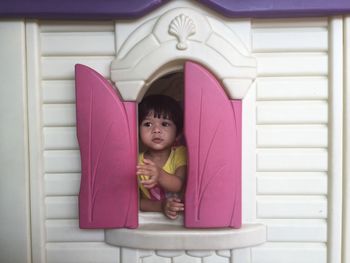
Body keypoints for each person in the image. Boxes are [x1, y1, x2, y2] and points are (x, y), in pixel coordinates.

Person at [137, 94, 187, 220]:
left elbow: (179, 184)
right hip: (150, 221)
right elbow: (136, 202)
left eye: (165, 124)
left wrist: (159, 174)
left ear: (178, 134)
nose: (156, 130)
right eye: (148, 124)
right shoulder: (136, 161)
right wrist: (161, 206)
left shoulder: (181, 153)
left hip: (181, 221)